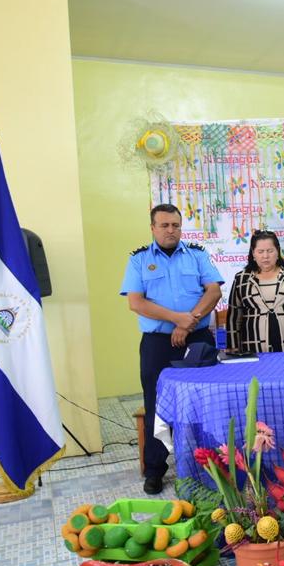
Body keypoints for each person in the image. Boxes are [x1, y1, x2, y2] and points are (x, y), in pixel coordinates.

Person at [120, 203, 223, 494]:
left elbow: (213, 290)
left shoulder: (197, 255)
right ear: (153, 228)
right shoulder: (139, 261)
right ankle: (155, 469)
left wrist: (186, 325)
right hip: (157, 345)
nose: (170, 230)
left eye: (175, 225)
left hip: (197, 340)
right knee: (157, 405)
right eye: (164, 225)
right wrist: (178, 319)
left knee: (205, 402)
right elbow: (136, 302)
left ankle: (210, 464)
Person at [226, 230, 284, 353]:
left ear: (278, 251)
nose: (265, 256)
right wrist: (233, 347)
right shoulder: (242, 279)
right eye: (260, 252)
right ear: (253, 253)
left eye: (270, 251)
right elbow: (234, 317)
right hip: (253, 351)